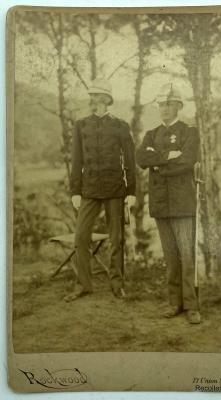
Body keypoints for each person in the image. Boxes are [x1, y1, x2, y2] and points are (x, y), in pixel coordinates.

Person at [64, 79, 136, 302]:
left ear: (106, 99)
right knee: (81, 237)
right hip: (89, 190)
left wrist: (131, 192)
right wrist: (75, 191)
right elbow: (77, 161)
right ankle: (83, 284)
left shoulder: (121, 126)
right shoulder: (81, 125)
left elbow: (130, 162)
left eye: (96, 96)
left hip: (115, 189)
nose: (91, 100)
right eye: (91, 95)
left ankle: (117, 284)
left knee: (117, 239)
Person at [136, 82, 201, 324]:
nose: (164, 109)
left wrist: (158, 166)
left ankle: (192, 306)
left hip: (183, 203)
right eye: (161, 105)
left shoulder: (189, 132)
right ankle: (175, 303)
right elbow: (141, 158)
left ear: (178, 107)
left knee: (186, 254)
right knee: (171, 256)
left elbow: (186, 162)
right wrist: (166, 157)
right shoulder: (151, 134)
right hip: (161, 204)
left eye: (169, 105)